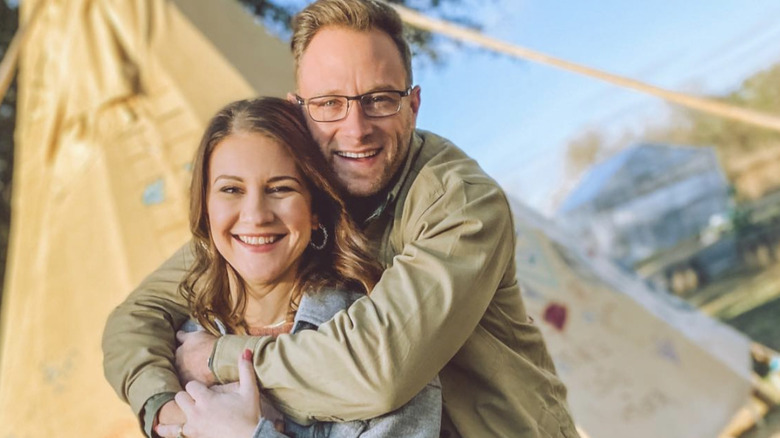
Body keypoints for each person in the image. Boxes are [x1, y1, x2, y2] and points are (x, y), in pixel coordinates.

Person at [102, 1, 579, 437]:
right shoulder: (294, 203)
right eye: (330, 103)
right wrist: (163, 406)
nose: (355, 129)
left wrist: (218, 361)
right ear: (299, 110)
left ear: (412, 106)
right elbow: (136, 316)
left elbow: (380, 370)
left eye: (379, 99)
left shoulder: (462, 205)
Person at [146, 96, 442, 437]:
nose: (256, 215)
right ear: (206, 210)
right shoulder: (180, 351)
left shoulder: (381, 342)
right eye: (231, 189)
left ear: (315, 210)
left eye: (280, 188)